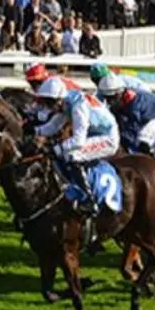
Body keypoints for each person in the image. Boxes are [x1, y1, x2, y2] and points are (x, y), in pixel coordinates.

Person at [27, 62, 120, 216]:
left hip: (108, 138)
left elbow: (78, 140)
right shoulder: (67, 100)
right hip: (94, 134)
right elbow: (54, 125)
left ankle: (89, 200)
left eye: (49, 102)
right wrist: (35, 131)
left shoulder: (78, 106)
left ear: (58, 98)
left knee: (72, 155)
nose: (48, 106)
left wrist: (56, 149)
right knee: (62, 153)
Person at [97, 70, 155, 172]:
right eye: (107, 99)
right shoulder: (121, 98)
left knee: (142, 137)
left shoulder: (136, 104)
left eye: (111, 98)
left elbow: (132, 130)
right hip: (145, 114)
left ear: (119, 93)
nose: (109, 102)